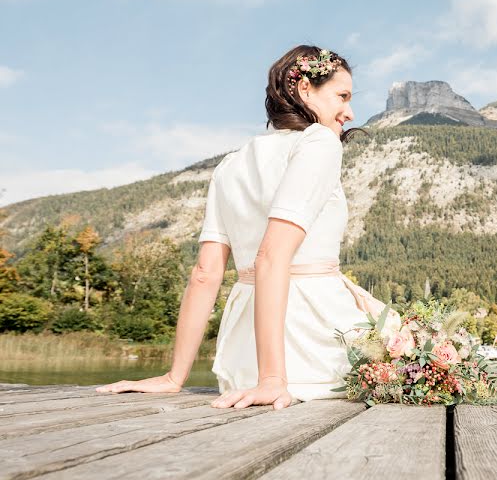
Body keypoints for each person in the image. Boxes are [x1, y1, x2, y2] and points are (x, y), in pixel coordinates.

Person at [98, 45, 383, 409]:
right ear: (305, 90)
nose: (350, 112)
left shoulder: (230, 164)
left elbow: (205, 273)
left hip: (240, 359)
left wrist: (175, 377)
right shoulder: (319, 142)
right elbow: (271, 258)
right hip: (313, 342)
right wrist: (273, 380)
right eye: (342, 96)